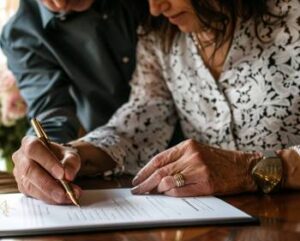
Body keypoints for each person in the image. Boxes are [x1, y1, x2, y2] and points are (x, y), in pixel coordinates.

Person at [12, 0, 300, 204]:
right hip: (214, 234)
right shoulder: (160, 35)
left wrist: (249, 170)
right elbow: (141, 117)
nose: (154, 7)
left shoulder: (293, 17)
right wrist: (74, 155)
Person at [0, 0, 148, 143]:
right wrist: (42, 149)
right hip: (116, 151)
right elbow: (51, 111)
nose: (60, 4)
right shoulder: (20, 37)